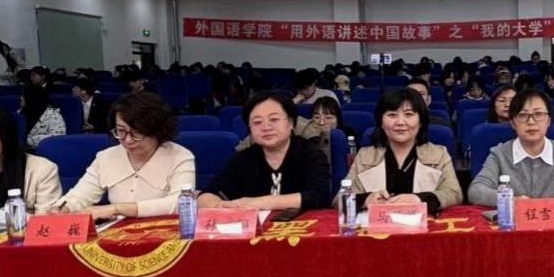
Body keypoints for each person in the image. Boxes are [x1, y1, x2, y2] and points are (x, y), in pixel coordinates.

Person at [52, 92, 195, 219]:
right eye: (121, 131)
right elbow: (79, 196)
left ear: (158, 130)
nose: (128, 140)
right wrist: (63, 208)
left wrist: (117, 209)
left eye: (137, 132)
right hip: (116, 233)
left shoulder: (179, 156)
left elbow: (180, 203)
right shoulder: (106, 157)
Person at [198, 92, 331, 213]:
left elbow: (321, 196)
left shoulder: (310, 153)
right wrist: (219, 206)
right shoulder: (244, 159)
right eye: (257, 122)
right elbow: (208, 194)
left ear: (291, 123)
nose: (266, 127)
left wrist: (255, 203)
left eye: (274, 119)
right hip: (255, 229)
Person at [468, 89, 554, 207]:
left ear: (548, 121)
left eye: (538, 114)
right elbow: (476, 191)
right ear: (513, 123)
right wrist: (512, 201)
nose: (531, 122)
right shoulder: (499, 154)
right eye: (523, 115)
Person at [342, 88, 462, 214]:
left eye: (409, 114)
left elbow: (454, 194)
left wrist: (420, 199)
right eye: (392, 115)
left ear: (421, 121)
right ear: (381, 122)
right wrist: (365, 199)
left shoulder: (439, 154)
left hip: (424, 224)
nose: (400, 122)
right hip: (375, 224)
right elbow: (340, 200)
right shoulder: (365, 156)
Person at [22, 84, 67, 150]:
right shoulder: (22, 111)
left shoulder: (53, 114)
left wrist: (27, 140)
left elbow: (58, 137)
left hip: (44, 151)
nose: (21, 98)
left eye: (23, 95)